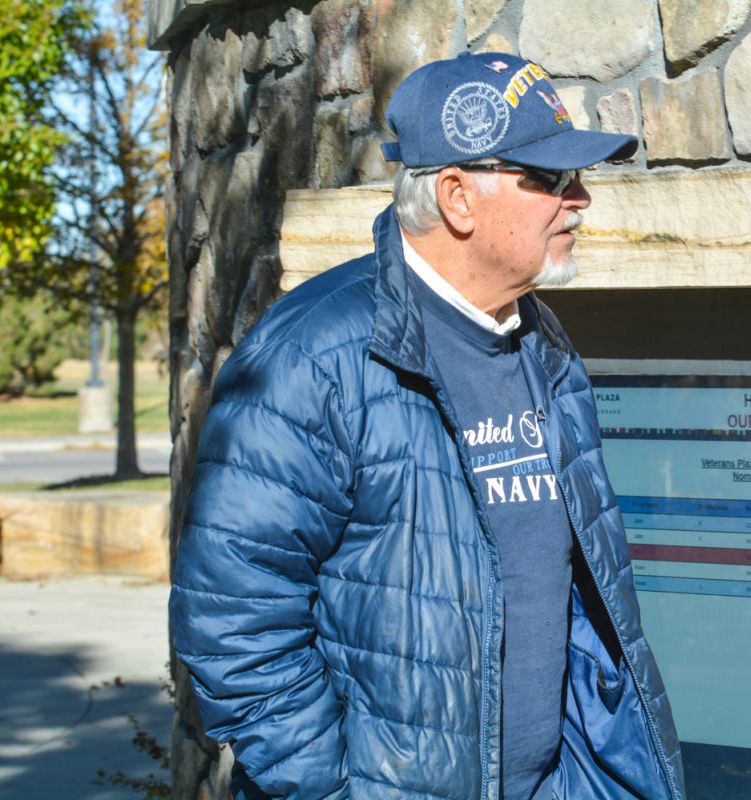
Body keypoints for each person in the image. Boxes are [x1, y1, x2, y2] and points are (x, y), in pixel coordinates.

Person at [170, 52, 685, 800]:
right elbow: (233, 620)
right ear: (457, 198)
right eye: (550, 179)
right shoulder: (312, 357)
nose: (580, 201)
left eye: (578, 179)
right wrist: (334, 788)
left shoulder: (544, 346)